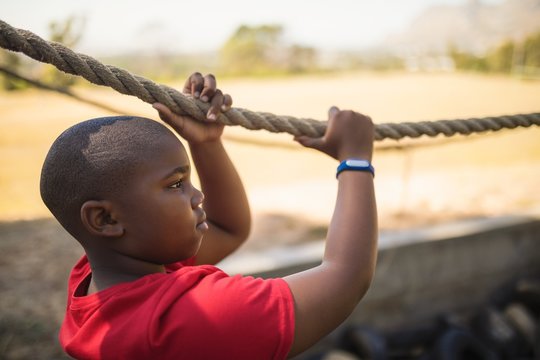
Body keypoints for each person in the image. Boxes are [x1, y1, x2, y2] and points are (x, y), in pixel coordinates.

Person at [40, 72, 378, 359]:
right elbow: (347, 278)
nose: (197, 195)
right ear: (104, 220)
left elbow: (228, 229)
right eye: (175, 185)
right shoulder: (192, 318)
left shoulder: (99, 276)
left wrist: (206, 143)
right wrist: (356, 160)